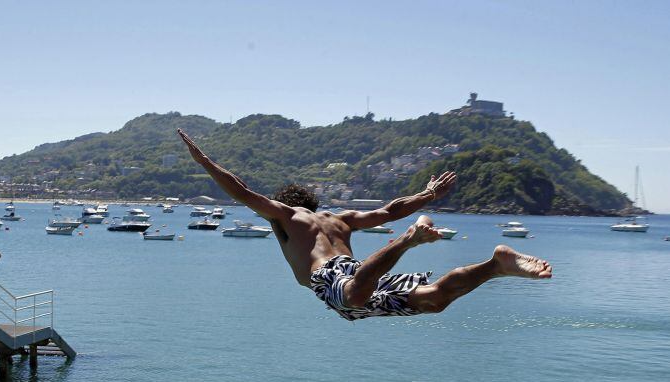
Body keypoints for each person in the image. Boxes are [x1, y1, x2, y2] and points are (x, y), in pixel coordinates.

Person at [178, 129, 552, 321]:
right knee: (434, 301)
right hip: (360, 273)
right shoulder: (341, 219)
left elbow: (241, 191)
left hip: (340, 280)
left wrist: (204, 162)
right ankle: (496, 264)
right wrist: (427, 195)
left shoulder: (287, 217)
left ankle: (408, 242)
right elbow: (390, 210)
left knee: (356, 295)